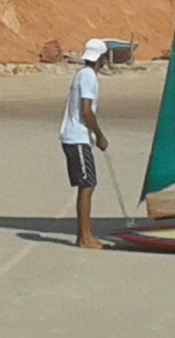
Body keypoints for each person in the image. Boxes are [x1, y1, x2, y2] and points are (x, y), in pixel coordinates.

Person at [60, 38, 110, 249]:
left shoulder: (82, 74)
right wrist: (99, 136)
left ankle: (84, 235)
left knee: (87, 184)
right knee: (87, 185)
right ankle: (85, 237)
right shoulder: (89, 77)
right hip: (78, 137)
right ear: (102, 59)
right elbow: (86, 111)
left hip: (76, 137)